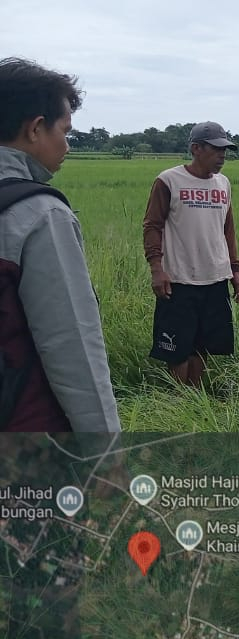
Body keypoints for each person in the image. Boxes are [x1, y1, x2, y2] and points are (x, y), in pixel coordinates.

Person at [0, 57, 119, 432]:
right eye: (65, 130)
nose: (67, 144)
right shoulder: (38, 214)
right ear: (36, 128)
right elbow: (73, 347)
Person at [143, 121, 239, 388]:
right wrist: (157, 269)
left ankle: (196, 399)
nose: (222, 156)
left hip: (215, 278)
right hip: (178, 280)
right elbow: (152, 226)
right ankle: (179, 404)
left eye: (225, 151)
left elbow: (228, 229)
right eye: (216, 150)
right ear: (196, 148)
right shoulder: (168, 181)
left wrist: (235, 270)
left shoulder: (223, 184)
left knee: (204, 346)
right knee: (178, 347)